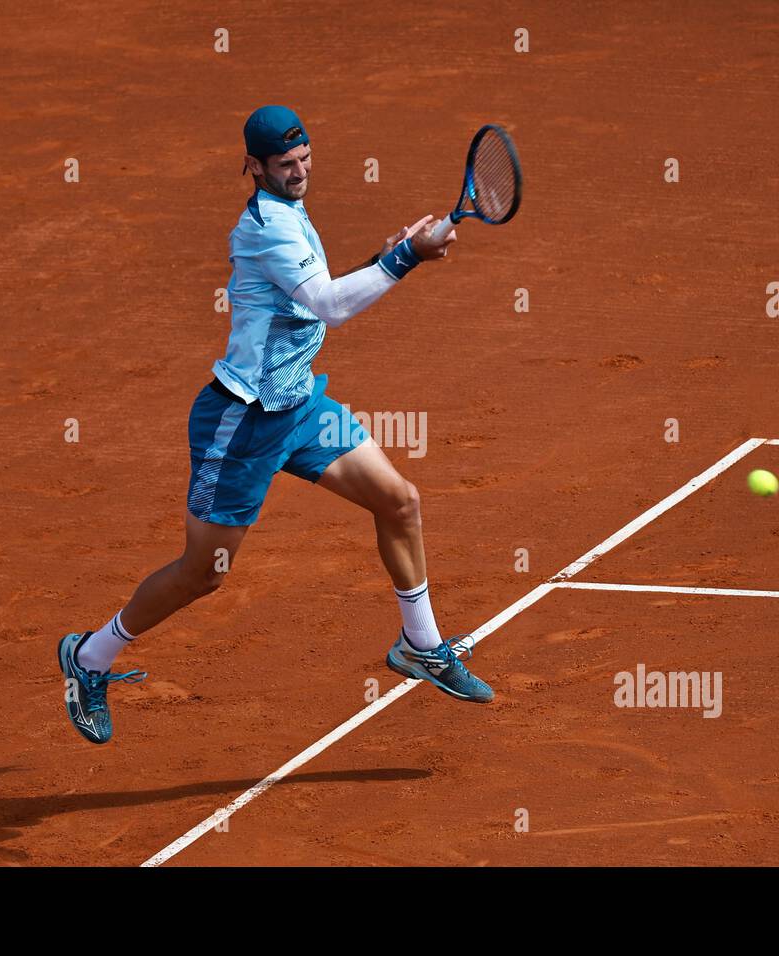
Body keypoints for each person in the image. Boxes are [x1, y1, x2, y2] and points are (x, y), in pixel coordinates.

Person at [57, 105, 494, 745]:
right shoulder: (265, 227)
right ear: (253, 167)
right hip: (241, 424)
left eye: (306, 160)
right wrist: (408, 257)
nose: (299, 173)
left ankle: (419, 645)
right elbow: (329, 305)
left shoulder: (290, 210)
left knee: (399, 501)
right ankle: (89, 656)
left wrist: (397, 251)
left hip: (299, 408)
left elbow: (319, 289)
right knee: (203, 574)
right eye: (285, 165)